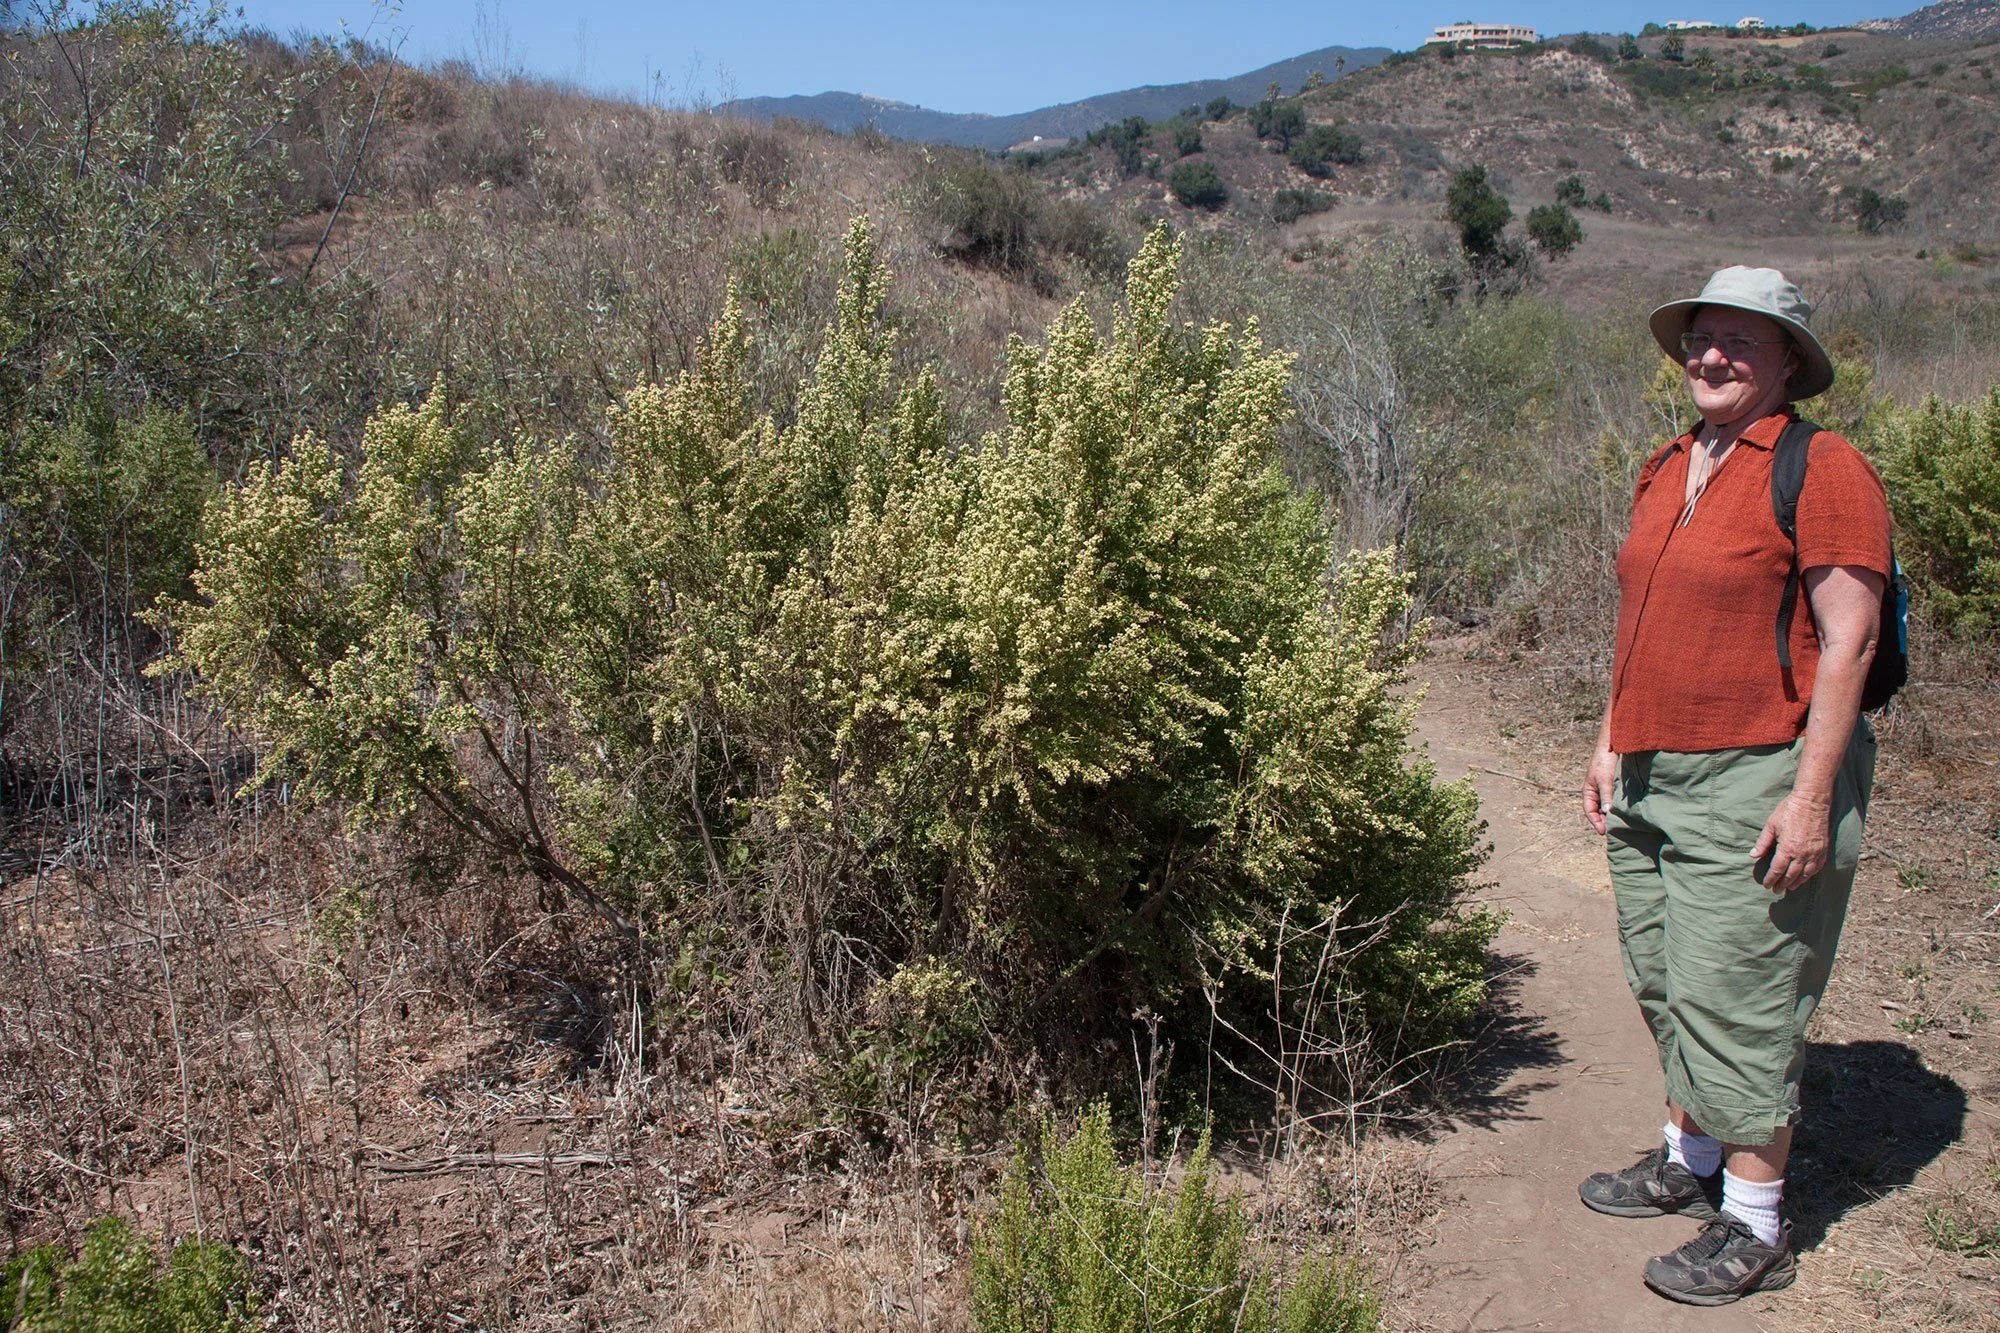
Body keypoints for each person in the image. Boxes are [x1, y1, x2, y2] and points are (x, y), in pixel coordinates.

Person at [1578, 266, 1892, 1305]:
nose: (1709, 357)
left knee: (1740, 995)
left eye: (1738, 343)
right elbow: (1639, 623)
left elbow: (1844, 646)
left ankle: (1753, 1222)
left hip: (1757, 767)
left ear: (1787, 361)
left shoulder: (1820, 465)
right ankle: (1688, 1155)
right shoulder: (1667, 464)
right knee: (1667, 976)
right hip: (1651, 768)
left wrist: (1807, 799)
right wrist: (1607, 740)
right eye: (1698, 338)